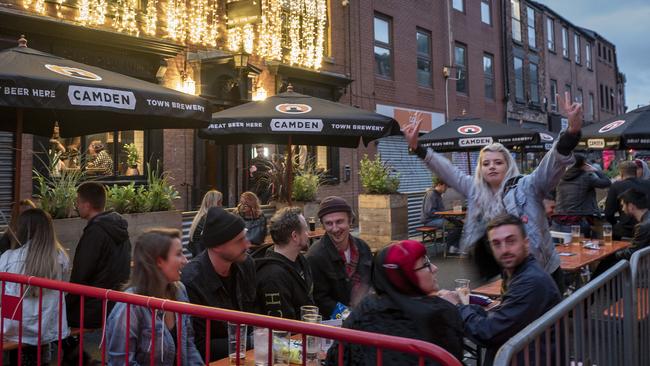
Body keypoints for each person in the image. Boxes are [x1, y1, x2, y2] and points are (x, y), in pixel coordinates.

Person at [404, 92, 583, 289]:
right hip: (504, 273)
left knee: (552, 317)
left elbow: (552, 165)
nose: (492, 167)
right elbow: (447, 170)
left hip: (543, 271)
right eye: (486, 163)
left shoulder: (526, 186)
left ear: (508, 165)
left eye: (498, 162)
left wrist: (571, 132)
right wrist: (418, 148)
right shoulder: (474, 188)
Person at [439, 214, 561, 366]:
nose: (504, 250)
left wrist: (457, 307)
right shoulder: (519, 273)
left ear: (526, 243)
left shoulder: (531, 282)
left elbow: (487, 333)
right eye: (496, 244)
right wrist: (471, 308)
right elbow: (505, 317)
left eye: (511, 241)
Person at [326, 240, 464, 365]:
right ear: (405, 277)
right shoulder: (443, 313)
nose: (434, 268)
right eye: (425, 264)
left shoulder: (365, 308)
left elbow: (335, 357)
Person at [106, 229, 203, 365]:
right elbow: (120, 362)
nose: (185, 260)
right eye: (178, 254)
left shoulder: (179, 291)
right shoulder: (129, 306)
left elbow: (188, 345)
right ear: (159, 261)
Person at [180, 207, 257, 362]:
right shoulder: (192, 280)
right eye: (239, 240)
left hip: (247, 357)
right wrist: (251, 341)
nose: (247, 244)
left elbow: (256, 312)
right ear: (217, 246)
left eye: (245, 237)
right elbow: (199, 346)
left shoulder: (246, 264)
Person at [0, 208, 70, 365]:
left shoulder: (8, 258)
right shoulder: (61, 258)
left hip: (14, 327)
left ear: (22, 229)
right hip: (47, 327)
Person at [67, 182, 132, 329]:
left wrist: (66, 305)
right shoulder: (119, 229)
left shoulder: (95, 233)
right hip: (114, 305)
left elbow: (81, 274)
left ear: (87, 205)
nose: (76, 206)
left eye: (78, 202)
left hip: (90, 310)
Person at [306, 196, 373, 319]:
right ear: (323, 225)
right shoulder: (315, 256)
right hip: (336, 326)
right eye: (329, 223)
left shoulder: (363, 248)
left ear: (350, 220)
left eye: (339, 221)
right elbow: (320, 300)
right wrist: (349, 316)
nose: (335, 228)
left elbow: (372, 283)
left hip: (366, 316)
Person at [255, 207, 315, 319]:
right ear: (295, 236)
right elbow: (281, 330)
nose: (308, 234)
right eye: (305, 230)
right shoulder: (272, 277)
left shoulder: (300, 259)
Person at [551, 154, 611, 238]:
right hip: (579, 221)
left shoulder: (560, 177)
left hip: (558, 221)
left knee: (562, 249)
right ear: (583, 164)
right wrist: (595, 170)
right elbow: (606, 183)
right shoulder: (586, 177)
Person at [604, 160, 650, 239]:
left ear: (621, 173)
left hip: (625, 230)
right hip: (647, 228)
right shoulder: (648, 184)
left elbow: (608, 213)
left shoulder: (616, 186)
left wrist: (616, 223)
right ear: (635, 172)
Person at [420, 177, 461, 253]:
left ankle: (455, 247)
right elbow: (429, 212)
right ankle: (450, 248)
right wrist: (443, 215)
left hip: (437, 218)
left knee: (459, 223)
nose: (446, 189)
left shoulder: (438, 194)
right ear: (439, 185)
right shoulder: (431, 194)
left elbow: (439, 211)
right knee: (452, 226)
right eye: (445, 186)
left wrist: (446, 215)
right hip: (430, 220)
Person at [188, 190, 223, 257]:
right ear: (214, 203)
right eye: (220, 203)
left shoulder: (201, 216)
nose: (221, 206)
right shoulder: (209, 219)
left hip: (198, 257)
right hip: (205, 259)